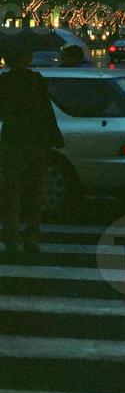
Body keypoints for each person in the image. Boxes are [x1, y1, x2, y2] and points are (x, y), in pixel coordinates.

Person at [0, 42, 64, 260]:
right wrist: (55, 135)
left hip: (13, 139)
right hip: (35, 140)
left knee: (12, 191)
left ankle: (11, 237)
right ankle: (32, 236)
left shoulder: (4, 82)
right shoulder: (35, 80)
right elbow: (46, 109)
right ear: (25, 58)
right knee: (34, 190)